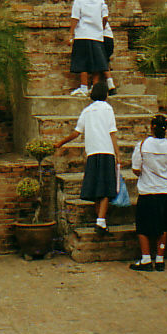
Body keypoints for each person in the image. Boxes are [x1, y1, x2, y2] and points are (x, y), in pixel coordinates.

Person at [54, 78, 121, 234]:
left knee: (97, 188)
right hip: (106, 151)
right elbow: (112, 132)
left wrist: (60, 143)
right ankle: (101, 221)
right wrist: (117, 153)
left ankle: (100, 220)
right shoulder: (107, 109)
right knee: (106, 188)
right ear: (105, 95)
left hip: (92, 153)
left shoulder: (87, 111)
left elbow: (76, 132)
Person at [129, 114, 167, 271]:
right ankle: (160, 259)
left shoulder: (143, 145)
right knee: (163, 227)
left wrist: (147, 173)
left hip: (148, 190)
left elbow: (136, 169)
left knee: (143, 227)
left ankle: (146, 259)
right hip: (166, 190)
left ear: (151, 128)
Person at [68, 0, 108, 96]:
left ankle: (84, 87)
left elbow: (75, 17)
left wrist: (71, 33)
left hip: (82, 35)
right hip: (97, 35)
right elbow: (105, 17)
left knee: (82, 62)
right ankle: (94, 87)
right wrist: (101, 27)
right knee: (97, 62)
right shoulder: (100, 0)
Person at [103, 19, 116, 95]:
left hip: (102, 37)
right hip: (107, 36)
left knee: (102, 60)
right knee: (103, 60)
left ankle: (111, 85)